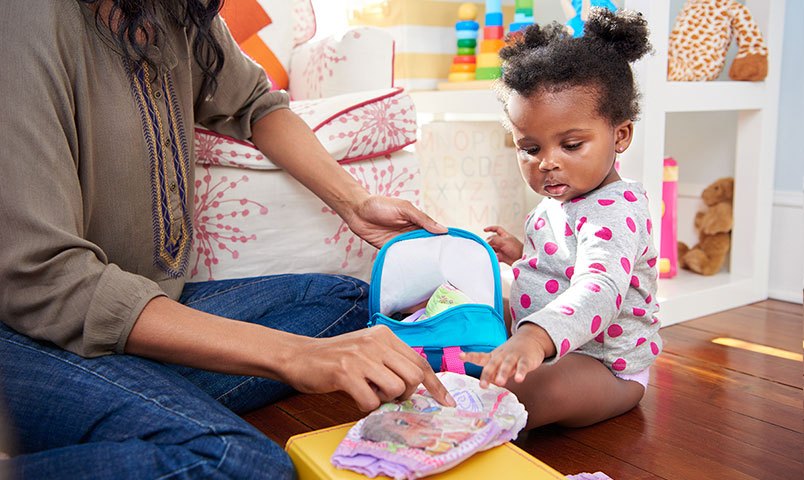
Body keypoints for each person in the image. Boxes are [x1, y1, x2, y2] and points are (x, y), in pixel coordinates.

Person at [0, 0, 455, 478]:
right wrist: (297, 355)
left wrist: (355, 202)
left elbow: (256, 103)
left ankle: (129, 399)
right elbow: (44, 279)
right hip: (25, 331)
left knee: (346, 301)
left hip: (134, 311)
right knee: (237, 464)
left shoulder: (175, 11)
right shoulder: (24, 19)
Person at [461, 9, 663, 430]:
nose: (547, 163)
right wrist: (521, 254)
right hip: (556, 346)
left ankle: (480, 407)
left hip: (605, 365)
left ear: (620, 135)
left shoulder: (617, 206)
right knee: (467, 307)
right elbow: (564, 261)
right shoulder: (562, 195)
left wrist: (534, 337)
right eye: (530, 148)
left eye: (571, 144)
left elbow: (599, 287)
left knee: (533, 392)